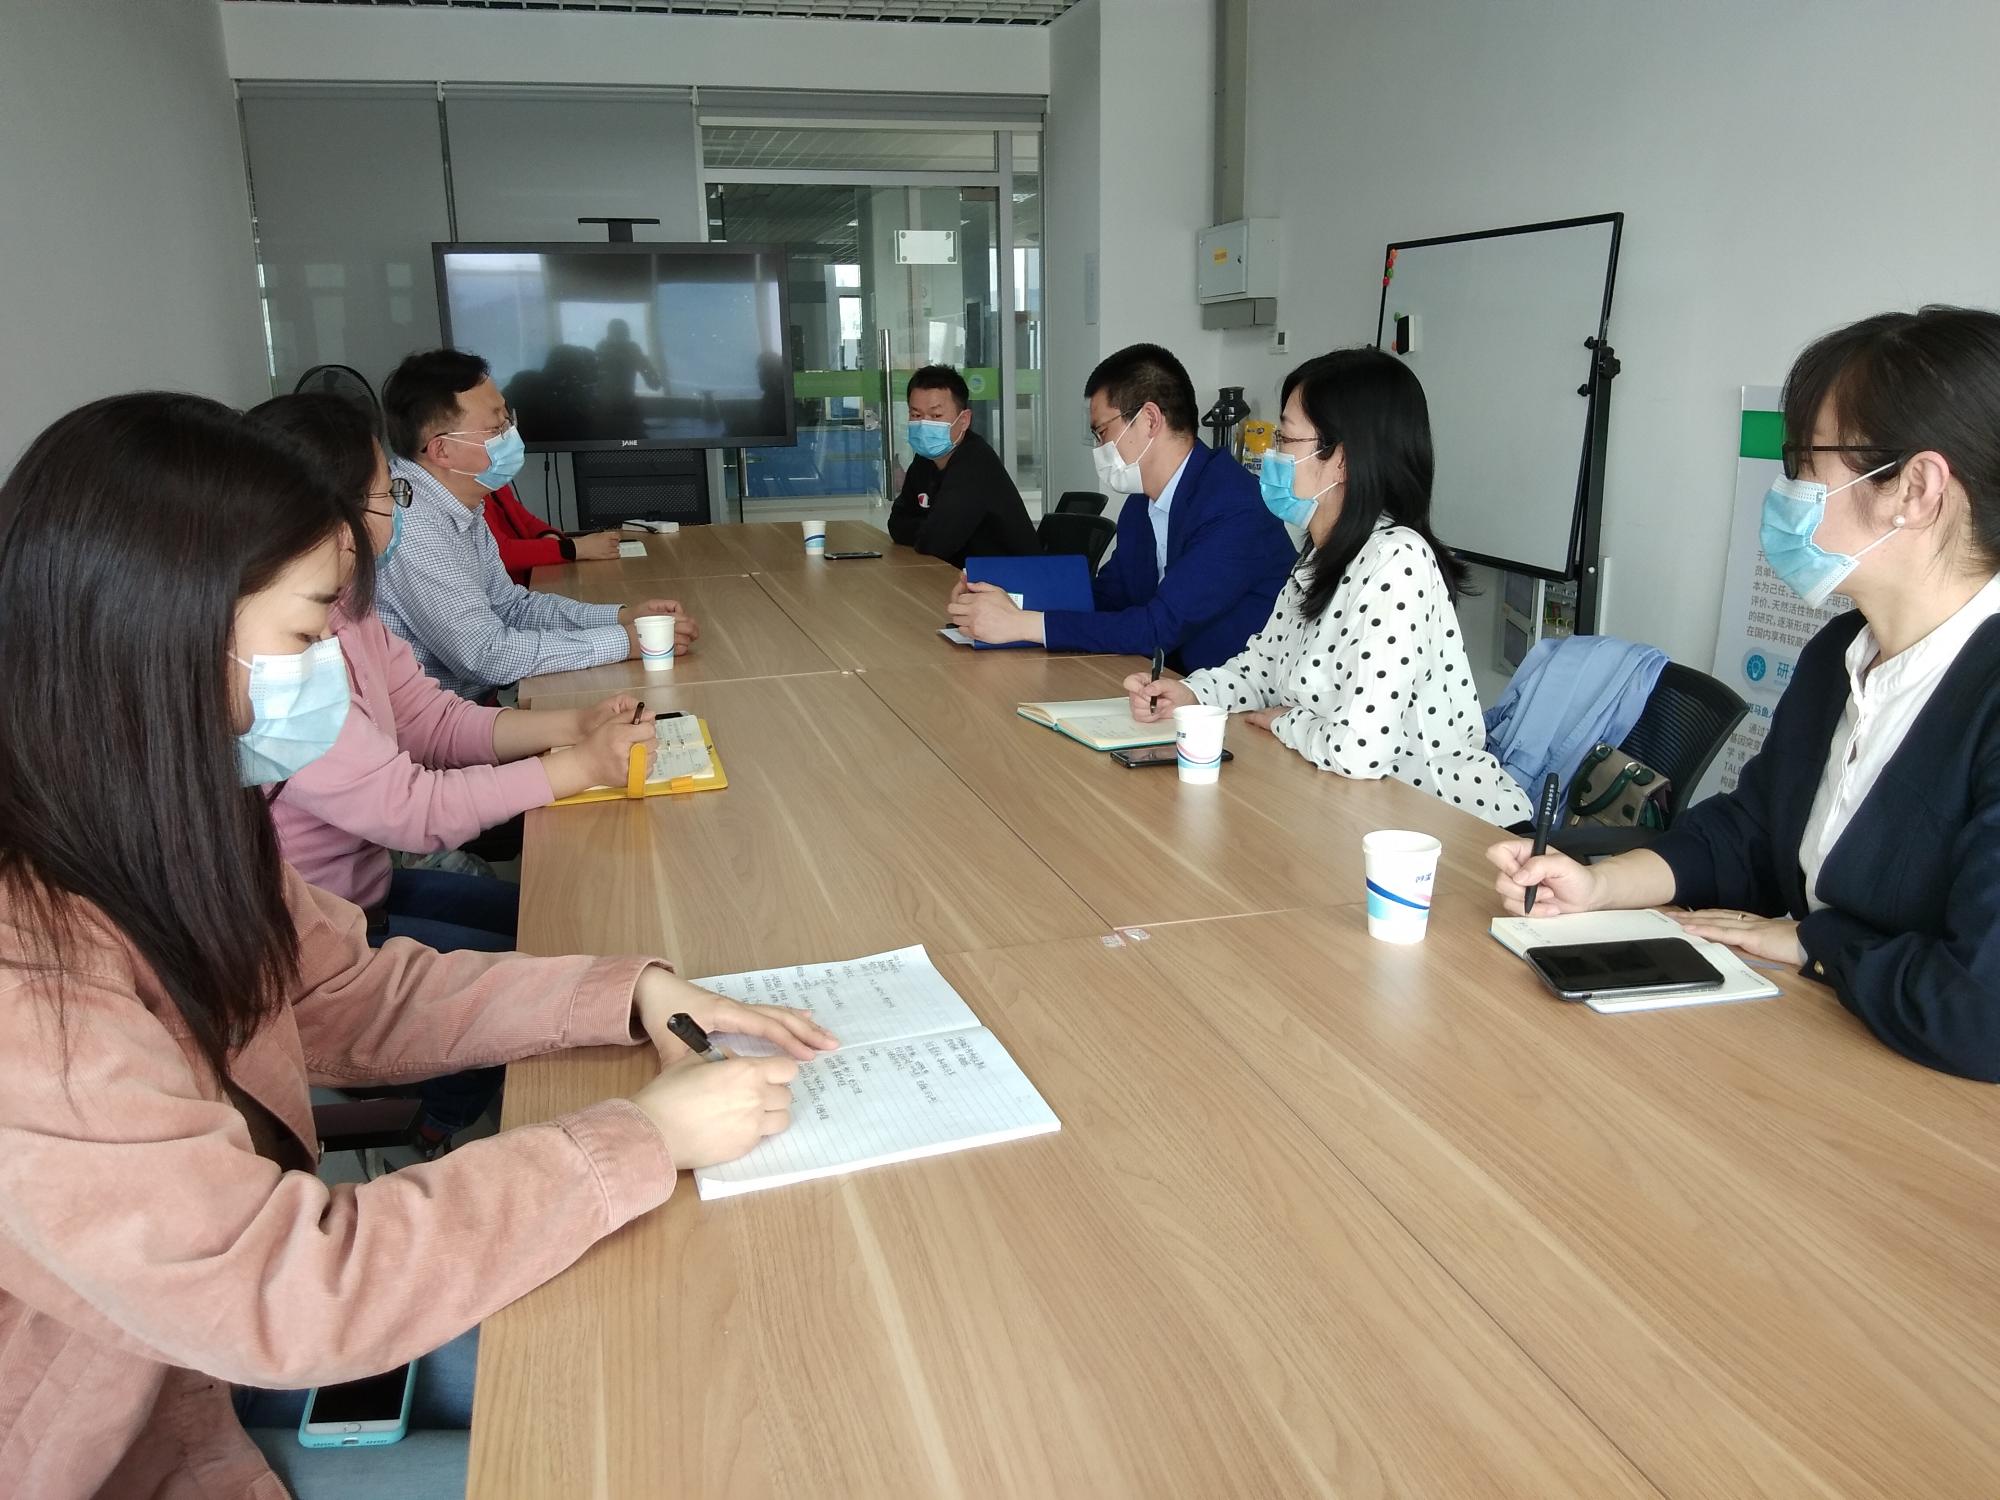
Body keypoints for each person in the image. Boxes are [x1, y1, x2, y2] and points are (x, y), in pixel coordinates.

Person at [0, 392, 834, 1500]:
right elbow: (283, 1291)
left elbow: (346, 994)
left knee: (682, 1339)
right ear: (162, 634)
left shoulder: (167, 820)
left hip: (232, 1346)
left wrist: (628, 993)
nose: (326, 668)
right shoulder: (29, 974)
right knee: (671, 1427)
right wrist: (637, 1136)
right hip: (144, 1430)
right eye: (306, 635)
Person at [1489, 306, 2000, 1083]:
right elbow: (1753, 833)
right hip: (1823, 1046)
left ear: (1916, 489)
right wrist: (1599, 884)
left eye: (1804, 460)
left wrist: (1813, 944)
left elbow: (1980, 1013)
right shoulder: (1841, 651)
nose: (1787, 487)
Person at [251, 394, 665, 1151]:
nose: (398, 509)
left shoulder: (350, 614)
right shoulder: (284, 662)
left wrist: (574, 727)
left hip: (367, 892)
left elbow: (435, 723)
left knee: (564, 936)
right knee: (533, 990)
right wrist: (574, 768)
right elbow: (408, 810)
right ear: (328, 518)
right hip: (324, 938)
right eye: (388, 494)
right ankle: (434, 1132)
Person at [1124, 349, 1531, 825]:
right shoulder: (1320, 558)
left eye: (1285, 438)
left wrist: (1286, 720)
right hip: (1357, 811)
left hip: (1454, 827)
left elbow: (1360, 750)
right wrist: (1188, 694)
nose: (1270, 455)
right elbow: (1260, 670)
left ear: (1341, 459)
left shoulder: (1397, 560)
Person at [947, 342, 1294, 671]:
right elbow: (1108, 598)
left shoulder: (1235, 506)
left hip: (1236, 699)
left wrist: (1023, 624)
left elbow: (1159, 627)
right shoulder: (1140, 505)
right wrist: (1001, 597)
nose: (1099, 447)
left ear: (1150, 419)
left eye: (1102, 432)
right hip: (1167, 683)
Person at [374, 348, 697, 699]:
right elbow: (486, 655)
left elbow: (511, 607)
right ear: (442, 450)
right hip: (442, 726)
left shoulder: (458, 503)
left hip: (474, 709)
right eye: (497, 427)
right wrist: (624, 642)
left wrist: (621, 618)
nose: (511, 434)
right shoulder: (410, 524)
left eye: (508, 419)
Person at [886, 364, 1038, 568]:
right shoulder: (925, 460)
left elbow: (935, 543)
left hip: (1009, 580)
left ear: (964, 420)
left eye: (936, 416)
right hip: (960, 575)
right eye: (916, 415)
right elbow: (896, 524)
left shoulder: (975, 463)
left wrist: (930, 529)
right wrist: (931, 527)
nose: (924, 424)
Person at [484, 480, 625, 586]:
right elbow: (500, 554)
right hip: (505, 600)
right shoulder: (473, 500)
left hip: (526, 587)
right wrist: (576, 548)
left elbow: (527, 521)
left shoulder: (497, 485)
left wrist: (551, 537)